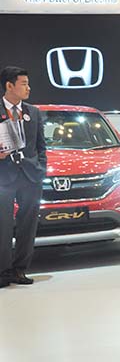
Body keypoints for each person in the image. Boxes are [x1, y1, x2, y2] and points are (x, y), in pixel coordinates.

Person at [0, 66, 46, 287]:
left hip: (30, 176)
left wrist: (41, 168)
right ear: (9, 86)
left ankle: (20, 269)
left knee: (28, 224)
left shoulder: (33, 112)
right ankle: (3, 271)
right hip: (3, 176)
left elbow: (41, 146)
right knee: (3, 224)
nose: (29, 88)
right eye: (24, 84)